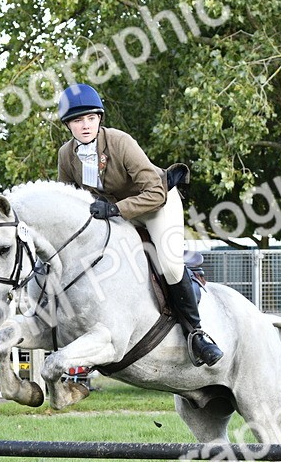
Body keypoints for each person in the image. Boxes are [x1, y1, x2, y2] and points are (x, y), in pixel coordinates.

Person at [55, 83, 223, 367]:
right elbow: (67, 201)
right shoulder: (66, 155)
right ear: (68, 125)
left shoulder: (120, 142)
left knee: (168, 265)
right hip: (117, 214)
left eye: (91, 118)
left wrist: (116, 209)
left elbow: (155, 193)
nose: (85, 126)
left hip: (157, 205)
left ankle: (196, 333)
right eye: (78, 120)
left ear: (100, 119)